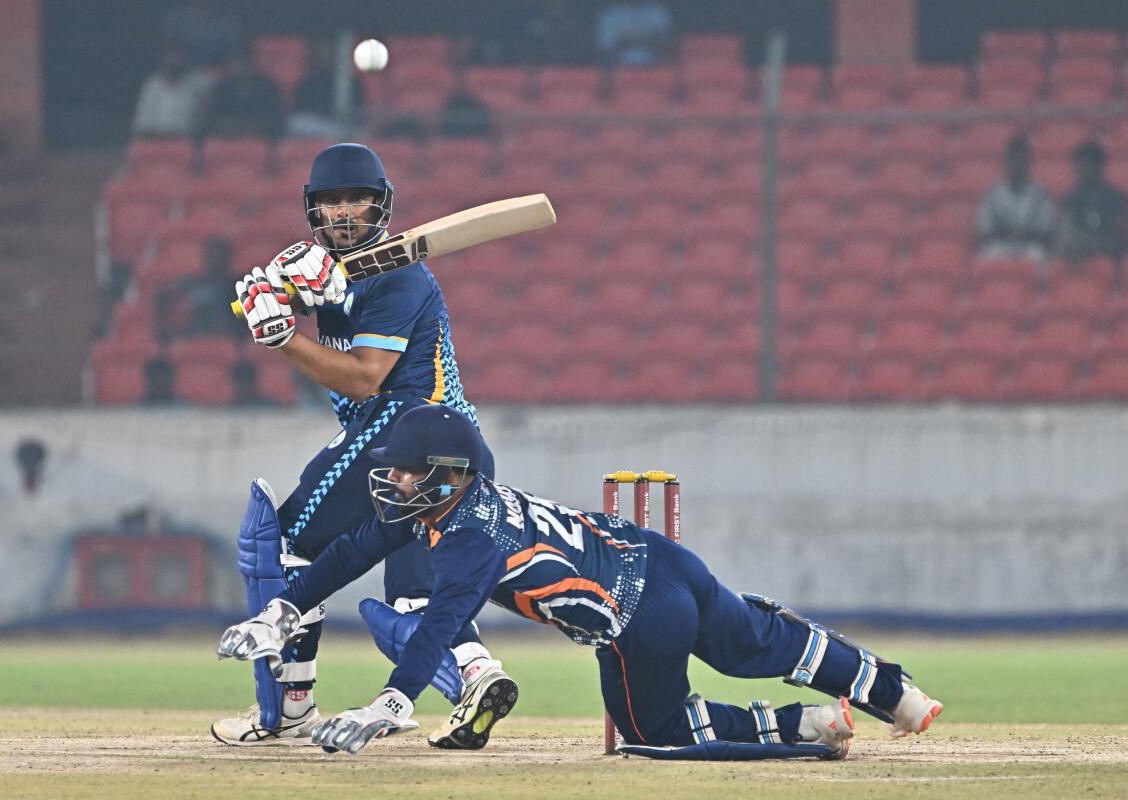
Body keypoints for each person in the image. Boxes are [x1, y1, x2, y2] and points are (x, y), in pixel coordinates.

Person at [217, 405, 944, 758]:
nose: (393, 480)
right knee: (756, 640)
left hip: (637, 619)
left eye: (407, 471)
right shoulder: (452, 504)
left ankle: (808, 728)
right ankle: (896, 693)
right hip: (665, 559)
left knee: (653, 733)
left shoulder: (469, 540)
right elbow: (351, 553)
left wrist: (391, 701)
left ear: (445, 474)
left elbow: (439, 627)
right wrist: (279, 611)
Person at [213, 143, 514, 749]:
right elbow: (285, 296)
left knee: (289, 541)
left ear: (382, 206)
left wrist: (282, 337)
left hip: (405, 427)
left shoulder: (400, 275)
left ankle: (290, 708)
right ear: (313, 209)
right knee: (413, 596)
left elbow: (363, 378)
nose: (344, 212)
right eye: (332, 201)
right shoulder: (333, 274)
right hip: (454, 449)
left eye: (357, 199)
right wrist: (274, 287)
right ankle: (478, 675)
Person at [974, 134, 1055, 267]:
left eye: (1021, 160)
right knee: (986, 257)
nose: (1017, 164)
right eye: (1013, 159)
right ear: (1006, 162)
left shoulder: (1041, 194)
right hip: (1000, 246)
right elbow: (985, 229)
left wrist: (1022, 235)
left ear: (1028, 162)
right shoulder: (992, 194)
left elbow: (1046, 230)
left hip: (1030, 247)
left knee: (1040, 255)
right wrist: (1008, 235)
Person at [1057, 140, 1127, 266]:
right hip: (1079, 256)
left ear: (1099, 166)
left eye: (1086, 164)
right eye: (1079, 164)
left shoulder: (1116, 197)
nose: (1081, 169)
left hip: (1111, 257)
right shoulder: (1072, 199)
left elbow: (1120, 232)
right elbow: (1066, 231)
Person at [130, 43, 214, 138]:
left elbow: (205, 120)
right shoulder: (152, 85)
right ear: (162, 58)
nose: (174, 59)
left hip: (186, 140)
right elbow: (141, 124)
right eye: (170, 55)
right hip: (154, 140)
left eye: (178, 55)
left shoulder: (200, 83)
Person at [202, 50, 284, 140]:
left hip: (261, 135)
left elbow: (274, 116)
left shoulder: (267, 86)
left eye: (244, 63)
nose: (240, 68)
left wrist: (254, 127)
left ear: (252, 65)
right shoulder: (222, 87)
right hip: (226, 136)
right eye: (236, 63)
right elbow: (214, 117)